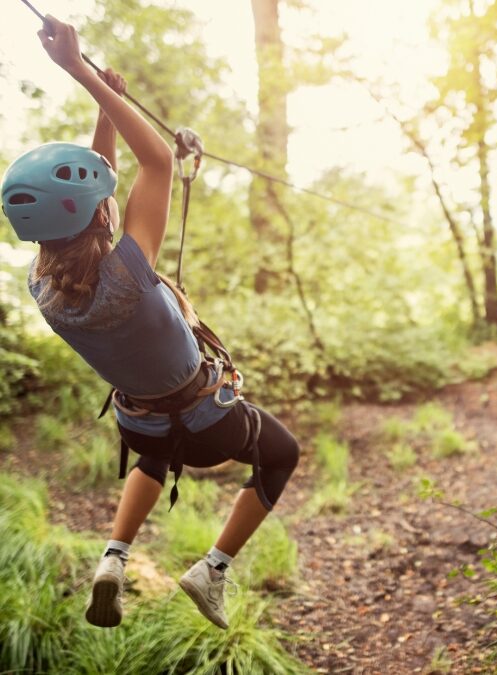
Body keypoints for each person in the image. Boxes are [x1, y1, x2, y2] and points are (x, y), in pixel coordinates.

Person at [0, 16, 299, 630]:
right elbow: (157, 161)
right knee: (281, 455)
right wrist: (79, 71)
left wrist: (105, 114)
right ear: (97, 219)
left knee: (153, 457)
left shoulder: (46, 287)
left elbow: (98, 200)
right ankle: (212, 571)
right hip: (207, 417)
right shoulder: (126, 274)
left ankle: (113, 557)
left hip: (140, 421)